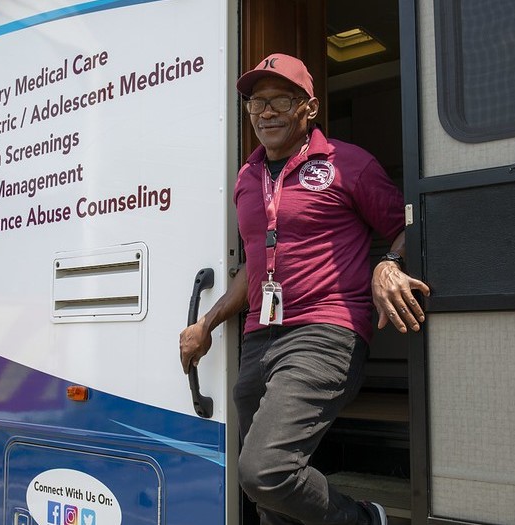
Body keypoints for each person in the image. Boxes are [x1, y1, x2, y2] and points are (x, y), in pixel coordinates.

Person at [179, 53, 430, 525]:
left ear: (308, 109)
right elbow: (253, 266)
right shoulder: (246, 179)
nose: (266, 112)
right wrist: (206, 323)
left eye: (279, 100)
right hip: (259, 339)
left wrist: (389, 262)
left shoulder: (349, 164)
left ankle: (362, 519)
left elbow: (414, 225)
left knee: (263, 471)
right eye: (256, 102)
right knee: (266, 495)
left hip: (325, 331)